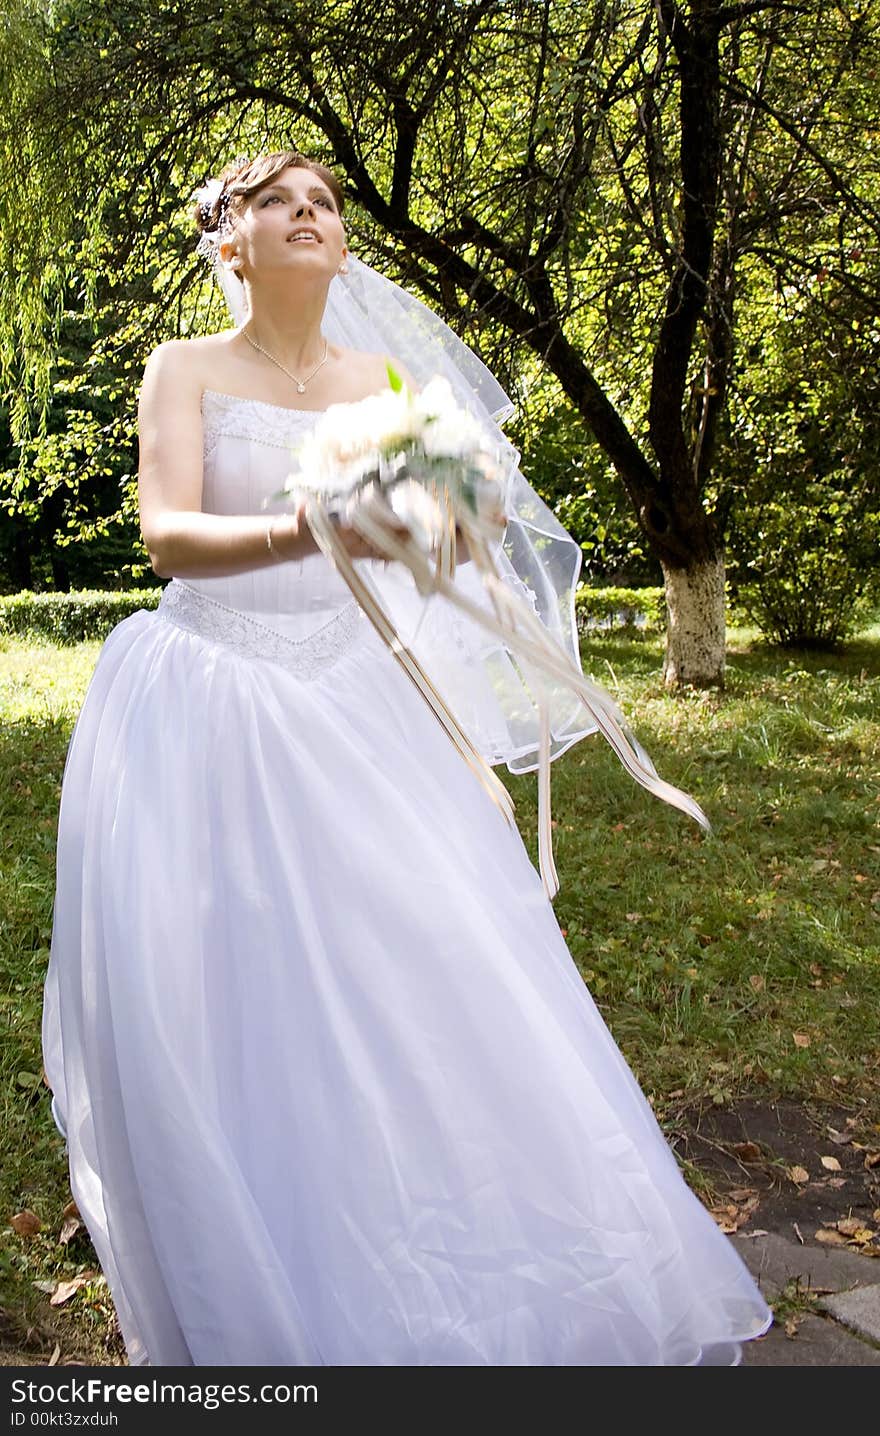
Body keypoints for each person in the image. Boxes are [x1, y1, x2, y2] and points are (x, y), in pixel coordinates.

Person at [40, 150, 772, 1367]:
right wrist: (309, 519)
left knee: (422, 973)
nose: (310, 211)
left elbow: (415, 562)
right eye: (278, 199)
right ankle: (260, 1266)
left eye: (323, 198)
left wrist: (452, 520)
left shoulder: (380, 382)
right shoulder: (184, 369)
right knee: (235, 990)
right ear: (231, 240)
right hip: (216, 701)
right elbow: (168, 534)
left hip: (355, 705)